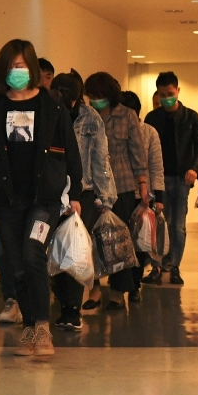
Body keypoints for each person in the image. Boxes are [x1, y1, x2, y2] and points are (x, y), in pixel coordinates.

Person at [0, 40, 82, 357]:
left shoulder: (53, 105)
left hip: (43, 198)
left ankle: (43, 328)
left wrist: (75, 193)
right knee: (16, 264)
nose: (16, 72)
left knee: (33, 251)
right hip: (6, 200)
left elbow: (71, 150)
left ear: (31, 68)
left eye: (21, 66)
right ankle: (29, 329)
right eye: (10, 67)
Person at [50, 72, 115, 329]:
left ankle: (73, 310)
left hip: (83, 193)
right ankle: (64, 302)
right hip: (52, 192)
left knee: (75, 251)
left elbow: (101, 157)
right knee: (55, 250)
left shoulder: (91, 118)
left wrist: (105, 197)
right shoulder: (48, 113)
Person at [85, 71, 149, 306]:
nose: (95, 100)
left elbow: (138, 153)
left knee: (118, 239)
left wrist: (143, 187)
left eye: (99, 96)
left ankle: (117, 292)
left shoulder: (127, 115)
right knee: (92, 238)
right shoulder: (86, 115)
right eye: (91, 96)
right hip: (92, 184)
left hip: (121, 185)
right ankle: (94, 289)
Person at [142, 73, 198, 286]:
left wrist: (194, 169)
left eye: (170, 93)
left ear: (178, 91)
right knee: (157, 224)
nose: (167, 98)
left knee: (177, 226)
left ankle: (175, 266)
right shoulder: (153, 118)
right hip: (158, 180)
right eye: (162, 95)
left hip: (181, 179)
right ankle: (156, 267)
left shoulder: (191, 117)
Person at [123, 91, 165, 290]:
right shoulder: (113, 130)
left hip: (142, 196)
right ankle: (123, 283)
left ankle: (135, 284)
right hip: (119, 193)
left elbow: (156, 166)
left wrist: (158, 197)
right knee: (121, 240)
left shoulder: (149, 132)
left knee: (140, 242)